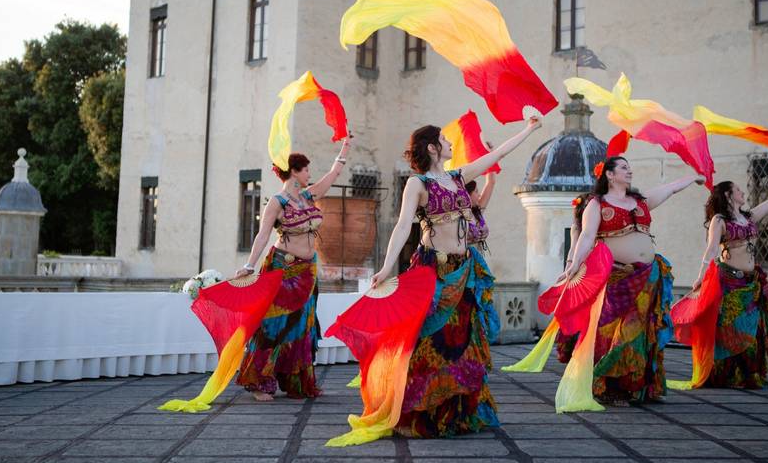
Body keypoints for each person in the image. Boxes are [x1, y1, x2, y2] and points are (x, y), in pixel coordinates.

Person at [368, 117, 541, 437]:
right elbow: (403, 225)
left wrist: (529, 129)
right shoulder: (417, 184)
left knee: (462, 342)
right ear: (432, 148)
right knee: (431, 341)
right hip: (433, 270)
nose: (450, 144)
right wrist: (386, 266)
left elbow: (497, 155)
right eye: (444, 141)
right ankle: (420, 411)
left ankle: (456, 412)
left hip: (464, 271)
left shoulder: (458, 177)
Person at [556, 156, 705, 405]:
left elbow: (670, 189)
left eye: (629, 167)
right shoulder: (597, 204)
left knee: (642, 334)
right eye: (623, 168)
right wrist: (572, 265)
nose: (629, 171)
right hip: (616, 278)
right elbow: (586, 236)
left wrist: (693, 178)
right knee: (617, 334)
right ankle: (608, 386)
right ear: (609, 175)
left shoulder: (640, 201)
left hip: (647, 278)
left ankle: (639, 387)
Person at [231, 137, 352, 401]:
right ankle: (259, 380)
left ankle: (296, 380)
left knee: (302, 326)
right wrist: (250, 265)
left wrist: (343, 151)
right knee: (274, 324)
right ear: (295, 172)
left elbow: (333, 175)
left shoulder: (309, 196)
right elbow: (262, 235)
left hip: (307, 271)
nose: (310, 174)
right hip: (282, 269)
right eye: (306, 169)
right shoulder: (277, 202)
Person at [685, 178, 768, 388]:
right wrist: (700, 276)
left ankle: (748, 374)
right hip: (729, 280)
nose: (742, 192)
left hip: (751, 281)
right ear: (728, 195)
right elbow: (711, 249)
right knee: (731, 327)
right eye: (738, 190)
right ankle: (727, 375)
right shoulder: (719, 220)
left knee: (752, 328)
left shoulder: (749, 217)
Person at [464, 170, 496, 253]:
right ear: (467, 195)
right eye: (476, 191)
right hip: (464, 262)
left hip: (479, 260)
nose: (479, 195)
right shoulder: (457, 215)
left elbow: (491, 182)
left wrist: (491, 164)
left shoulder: (477, 212)